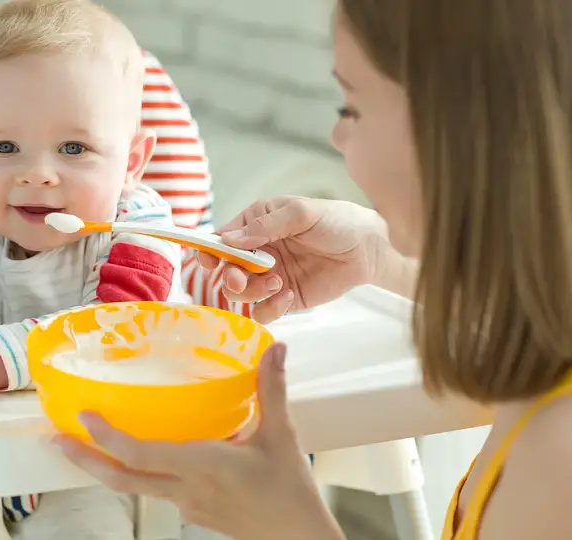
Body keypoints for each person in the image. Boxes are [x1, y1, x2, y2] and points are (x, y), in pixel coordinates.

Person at [55, 1, 572, 539]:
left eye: (351, 109)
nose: (337, 138)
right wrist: (374, 253)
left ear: (457, 134)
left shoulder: (557, 460)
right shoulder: (539, 344)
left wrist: (290, 525)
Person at [0, 0, 183, 538]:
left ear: (132, 163)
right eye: (4, 147)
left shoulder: (142, 233)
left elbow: (118, 330)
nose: (39, 174)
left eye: (74, 147)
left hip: (89, 467)